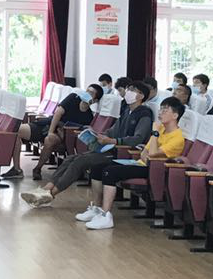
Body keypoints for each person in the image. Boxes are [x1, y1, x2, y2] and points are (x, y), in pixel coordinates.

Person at [21, 82, 153, 208]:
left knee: (80, 161)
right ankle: (46, 189)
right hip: (109, 148)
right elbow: (112, 131)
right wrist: (98, 135)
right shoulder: (127, 111)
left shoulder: (144, 114)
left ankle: (50, 194)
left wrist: (112, 141)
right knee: (70, 158)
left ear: (141, 96)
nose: (128, 92)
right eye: (128, 89)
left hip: (122, 154)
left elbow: (138, 139)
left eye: (132, 90)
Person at [77, 96, 189, 230]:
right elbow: (144, 153)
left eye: (165, 110)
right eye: (160, 109)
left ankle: (106, 215)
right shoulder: (161, 130)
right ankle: (96, 208)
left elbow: (152, 154)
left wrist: (154, 134)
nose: (160, 113)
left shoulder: (177, 137)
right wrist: (151, 147)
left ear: (175, 115)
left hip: (154, 170)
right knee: (97, 168)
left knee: (109, 172)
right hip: (141, 163)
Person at [11, 83, 102, 179]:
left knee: (49, 140)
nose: (87, 93)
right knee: (16, 131)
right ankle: (17, 169)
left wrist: (59, 134)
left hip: (61, 136)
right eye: (87, 91)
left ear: (95, 100)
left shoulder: (88, 117)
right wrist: (50, 131)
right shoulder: (73, 98)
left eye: (91, 93)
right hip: (48, 125)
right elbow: (58, 113)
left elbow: (78, 133)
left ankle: (37, 169)